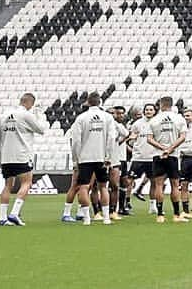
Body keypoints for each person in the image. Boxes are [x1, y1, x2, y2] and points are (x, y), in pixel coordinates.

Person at [0, 92, 48, 226]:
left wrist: (0, 159)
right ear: (30, 103)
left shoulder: (3, 116)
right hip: (22, 156)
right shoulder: (26, 114)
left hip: (6, 157)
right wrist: (39, 114)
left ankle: (2, 218)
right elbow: (41, 129)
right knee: (26, 183)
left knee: (7, 186)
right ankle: (14, 213)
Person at [67, 92, 117, 226]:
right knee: (103, 187)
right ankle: (106, 217)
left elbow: (76, 141)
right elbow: (112, 138)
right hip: (101, 157)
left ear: (88, 103)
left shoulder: (81, 118)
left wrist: (76, 159)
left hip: (85, 157)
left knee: (84, 187)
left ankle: (87, 218)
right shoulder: (107, 117)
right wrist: (108, 156)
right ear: (100, 102)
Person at [148, 95, 189, 223]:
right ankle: (176, 215)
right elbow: (183, 137)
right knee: (175, 185)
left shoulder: (154, 120)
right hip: (173, 156)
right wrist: (170, 149)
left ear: (160, 104)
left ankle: (160, 215)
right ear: (172, 105)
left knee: (159, 185)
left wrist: (162, 148)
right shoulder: (179, 119)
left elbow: (149, 139)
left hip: (158, 155)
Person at [129, 103, 158, 215]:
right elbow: (131, 140)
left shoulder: (157, 123)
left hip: (152, 158)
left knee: (154, 182)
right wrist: (132, 140)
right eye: (146, 109)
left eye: (151, 110)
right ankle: (126, 203)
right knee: (129, 181)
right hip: (138, 157)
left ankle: (152, 206)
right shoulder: (137, 124)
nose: (148, 111)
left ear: (154, 111)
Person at [108, 105, 131, 219]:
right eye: (117, 113)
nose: (119, 115)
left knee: (122, 183)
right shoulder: (114, 125)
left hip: (121, 158)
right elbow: (126, 136)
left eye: (122, 113)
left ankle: (120, 208)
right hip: (112, 158)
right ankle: (106, 209)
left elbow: (124, 138)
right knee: (109, 185)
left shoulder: (120, 125)